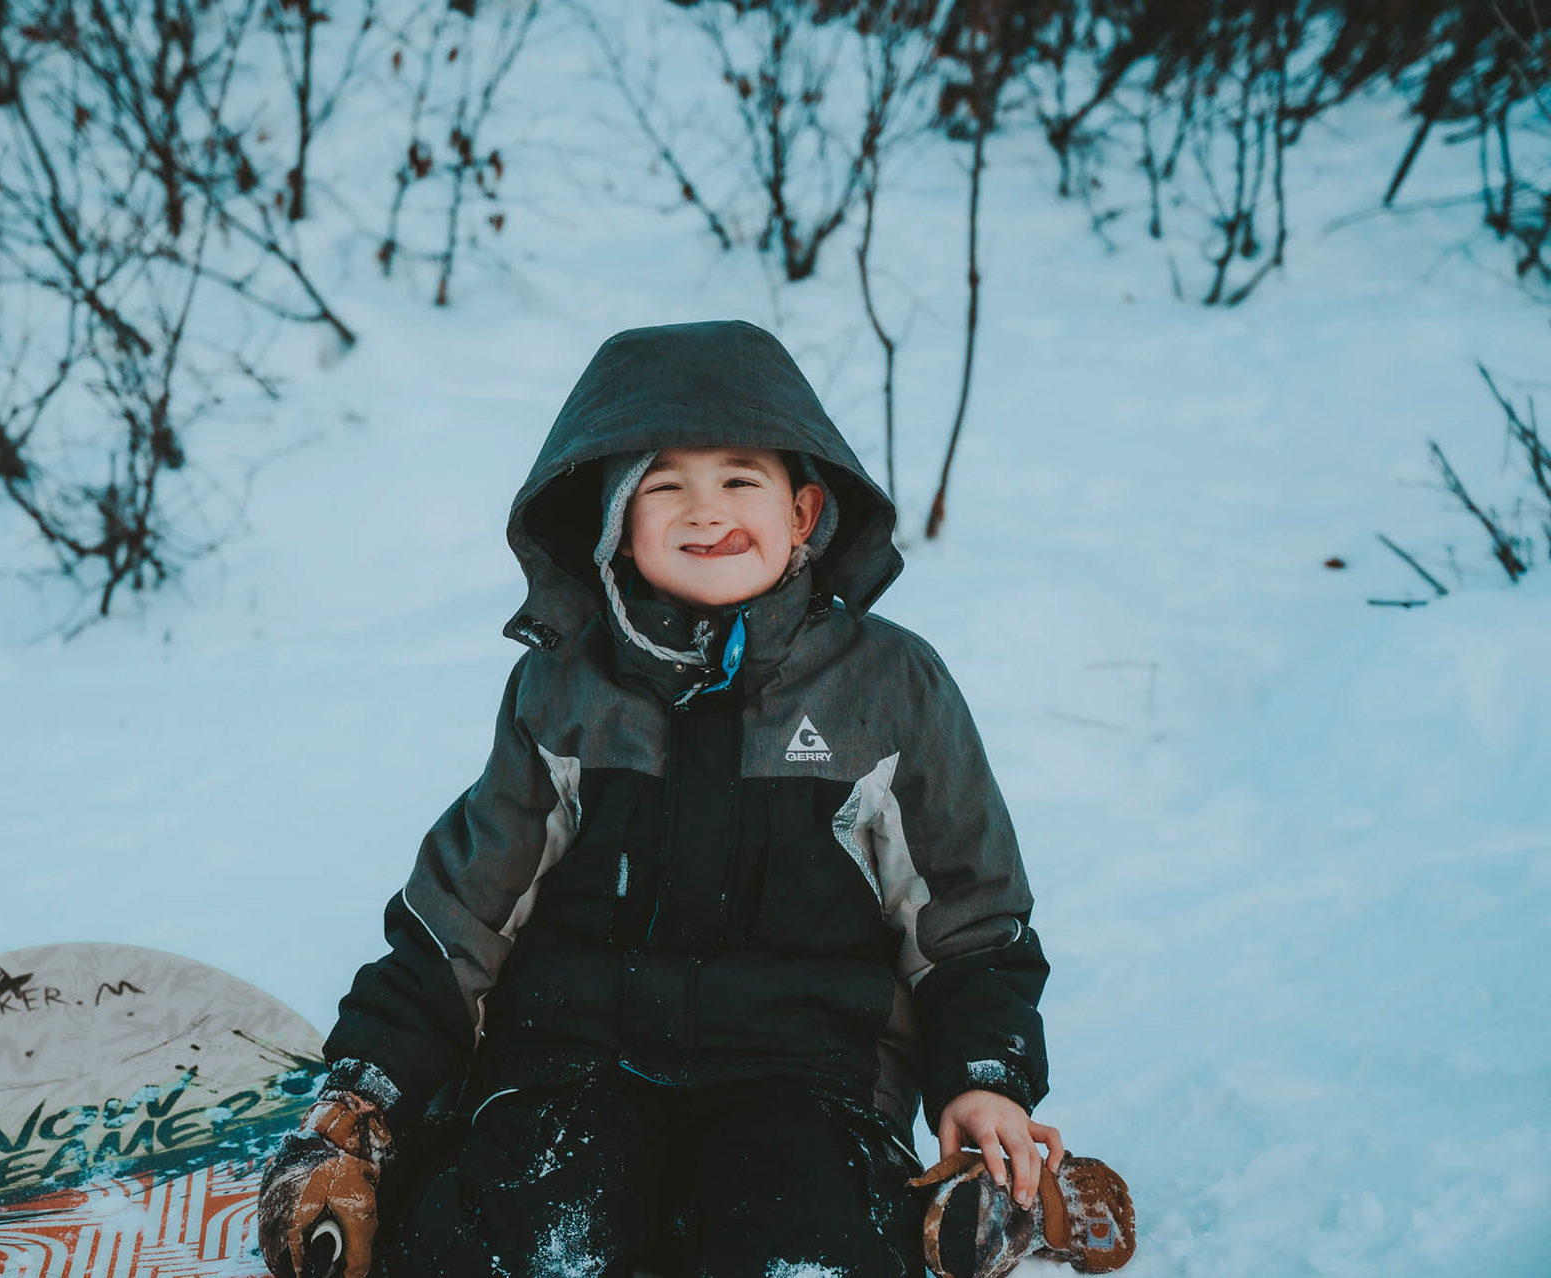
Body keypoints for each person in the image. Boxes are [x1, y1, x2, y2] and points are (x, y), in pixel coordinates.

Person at [258, 320, 1121, 1278]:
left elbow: (969, 920)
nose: (705, 509)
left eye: (740, 479)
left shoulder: (887, 691)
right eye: (663, 485)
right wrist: (368, 1094)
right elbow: (462, 913)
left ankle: (968, 1210)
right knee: (520, 1242)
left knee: (809, 1246)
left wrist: (984, 1077)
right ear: (614, 524)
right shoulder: (565, 693)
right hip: (573, 1063)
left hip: (806, 1074)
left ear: (804, 512)